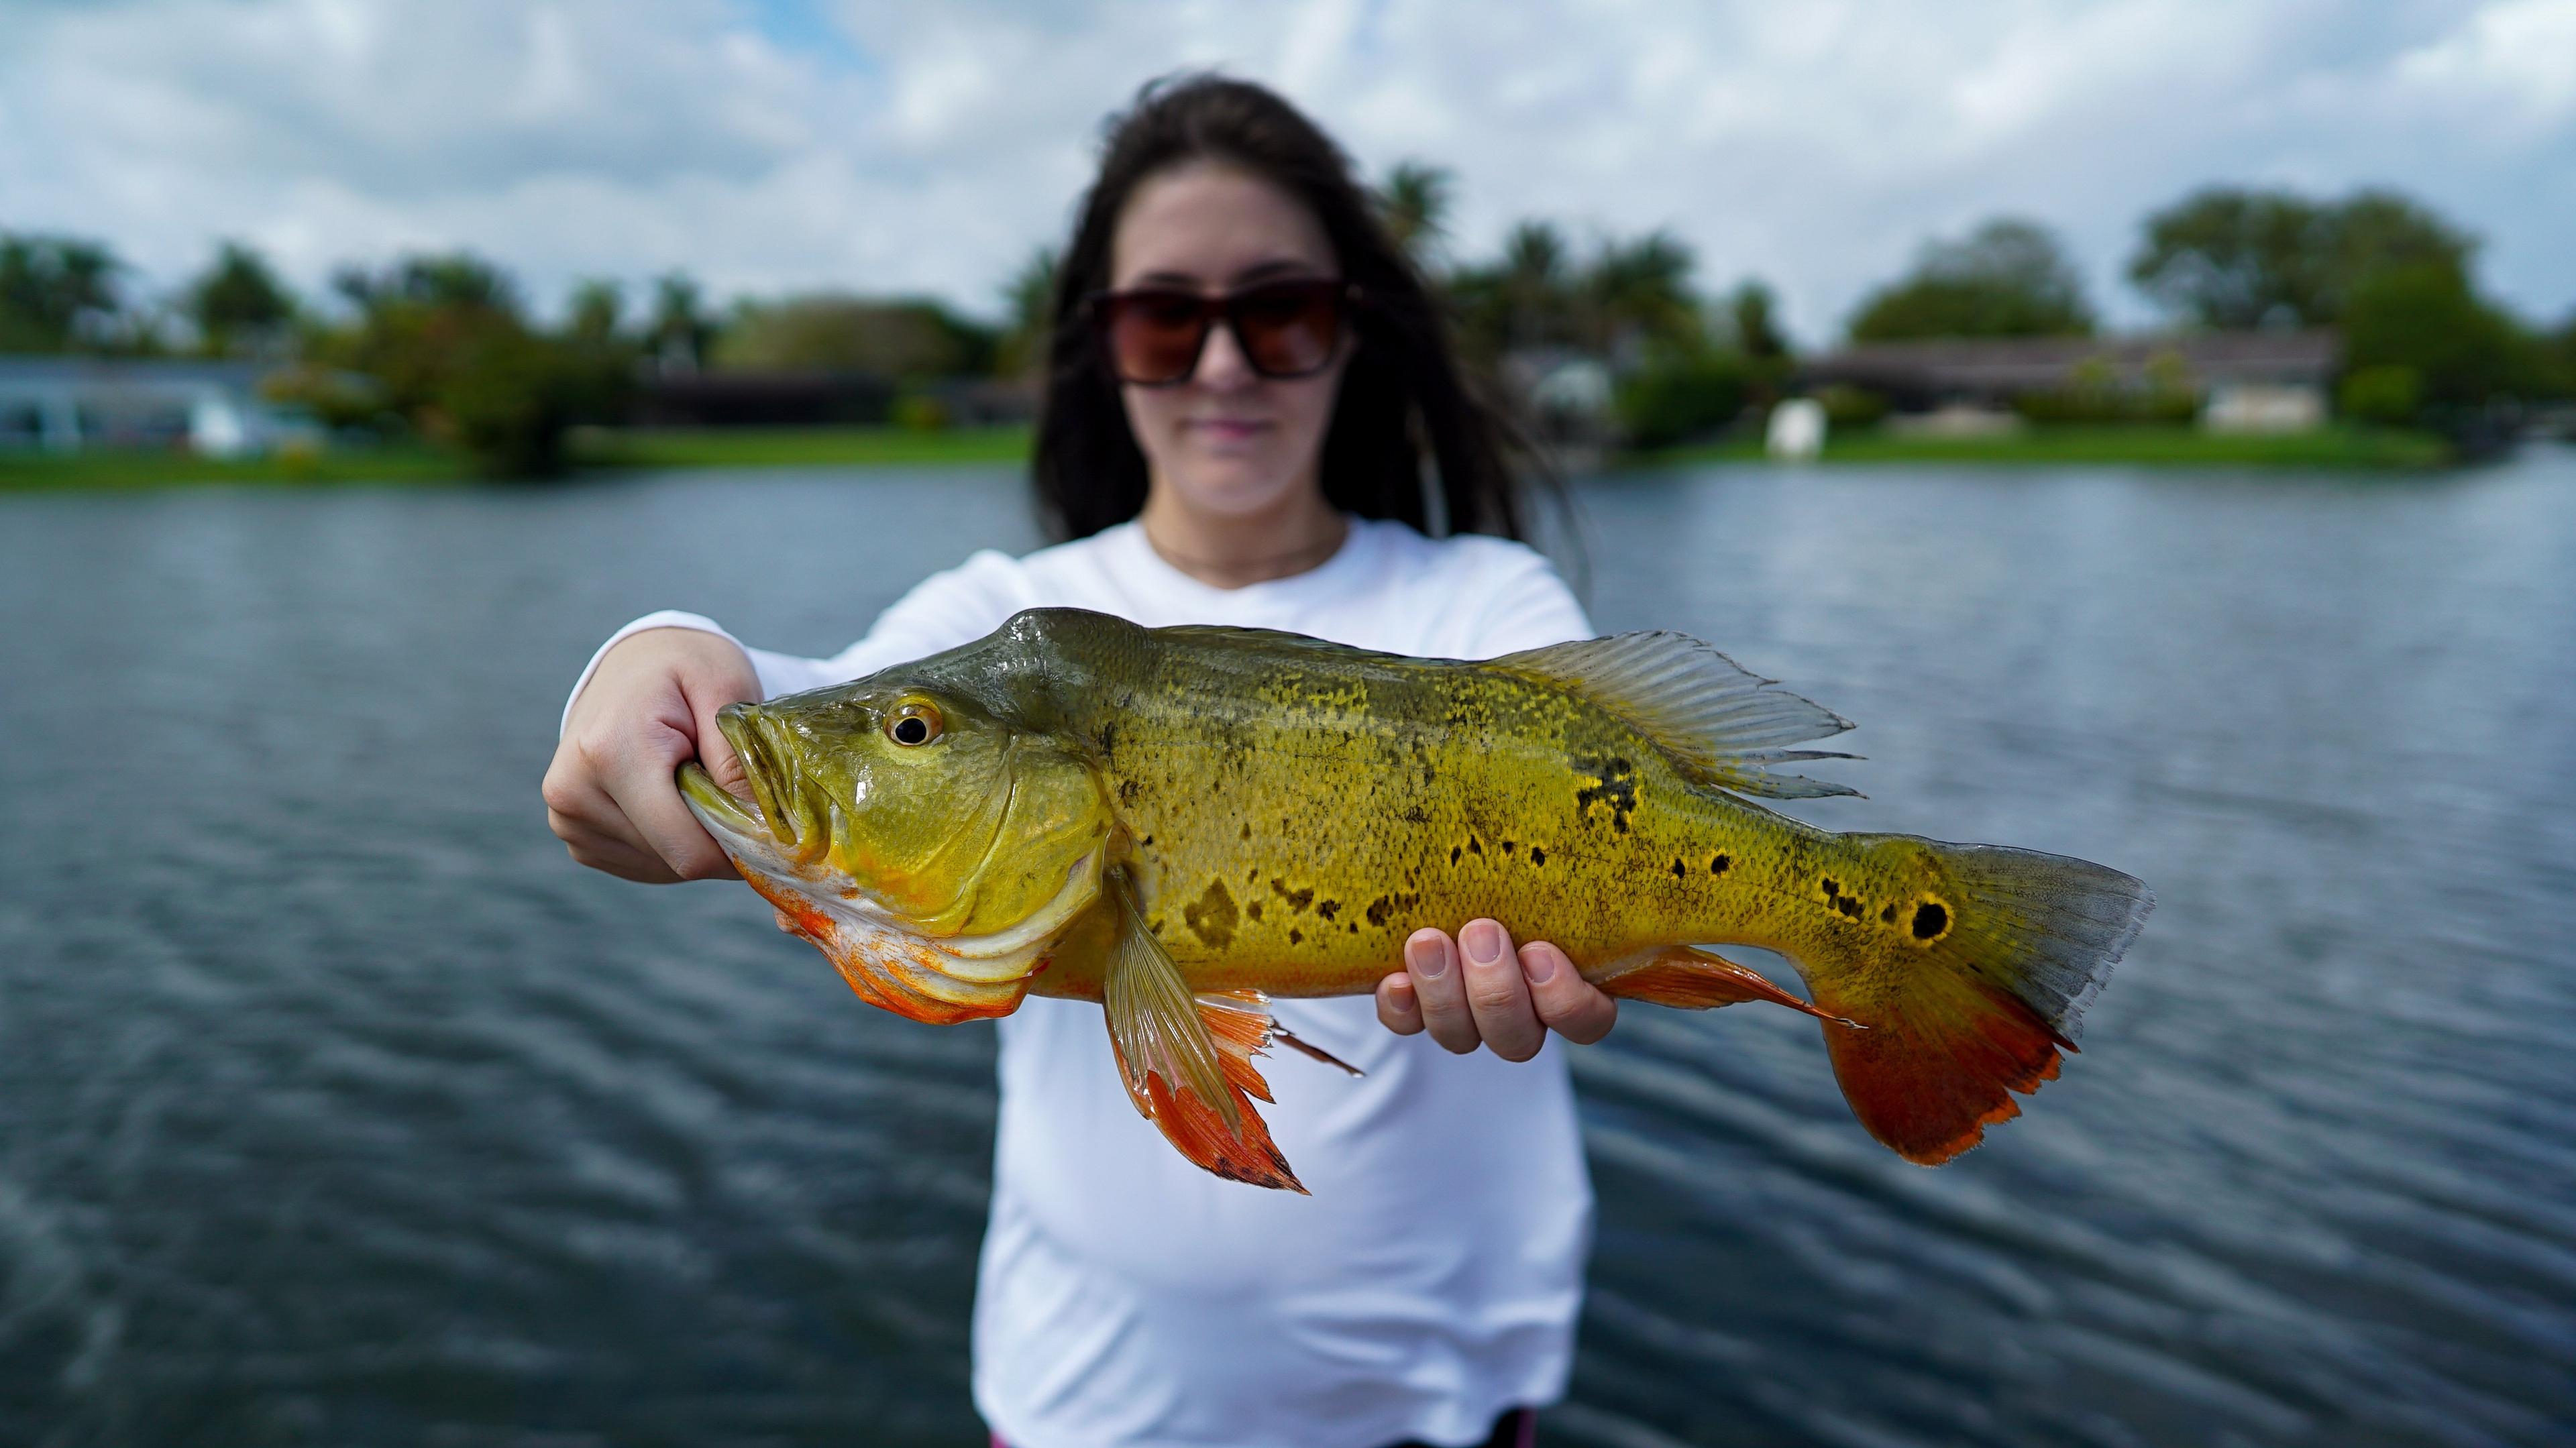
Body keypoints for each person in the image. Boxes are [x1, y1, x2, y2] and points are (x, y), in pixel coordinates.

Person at [543, 75, 1613, 1448]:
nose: (1222, 365)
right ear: (1102, 344)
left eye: (1277, 312)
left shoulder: (1486, 607)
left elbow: (1607, 776)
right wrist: (648, 650)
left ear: (1352, 332)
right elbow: (788, 695)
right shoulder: (1008, 621)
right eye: (1166, 317)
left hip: (1438, 1409)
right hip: (1085, 1407)